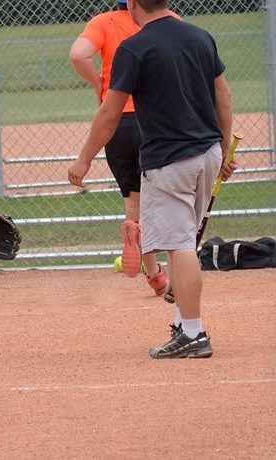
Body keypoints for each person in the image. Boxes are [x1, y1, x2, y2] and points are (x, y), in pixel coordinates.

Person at [67, 0, 235, 359]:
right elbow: (223, 95)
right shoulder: (200, 36)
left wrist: (83, 159)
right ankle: (183, 324)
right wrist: (223, 150)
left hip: (169, 160)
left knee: (178, 245)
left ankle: (193, 333)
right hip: (207, 152)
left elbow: (110, 113)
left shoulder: (135, 46)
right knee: (183, 240)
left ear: (132, 4)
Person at [69, 0, 178, 295]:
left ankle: (154, 275)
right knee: (166, 203)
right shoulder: (165, 21)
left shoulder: (104, 22)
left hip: (116, 124)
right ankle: (173, 274)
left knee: (135, 205)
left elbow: (78, 54)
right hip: (153, 121)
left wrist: (100, 82)